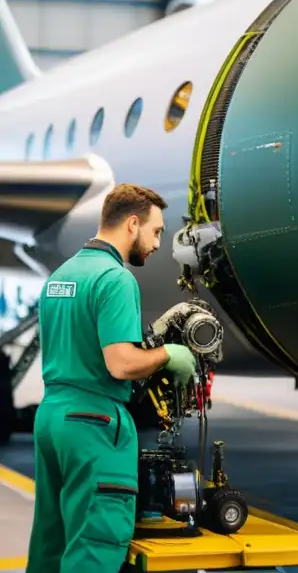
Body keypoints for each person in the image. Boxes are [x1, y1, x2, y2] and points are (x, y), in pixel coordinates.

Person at [25, 184, 198, 573]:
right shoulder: (116, 279)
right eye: (156, 232)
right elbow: (120, 364)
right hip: (94, 426)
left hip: (52, 419)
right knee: (94, 543)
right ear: (132, 224)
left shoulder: (62, 276)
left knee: (53, 541)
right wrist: (169, 354)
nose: (157, 245)